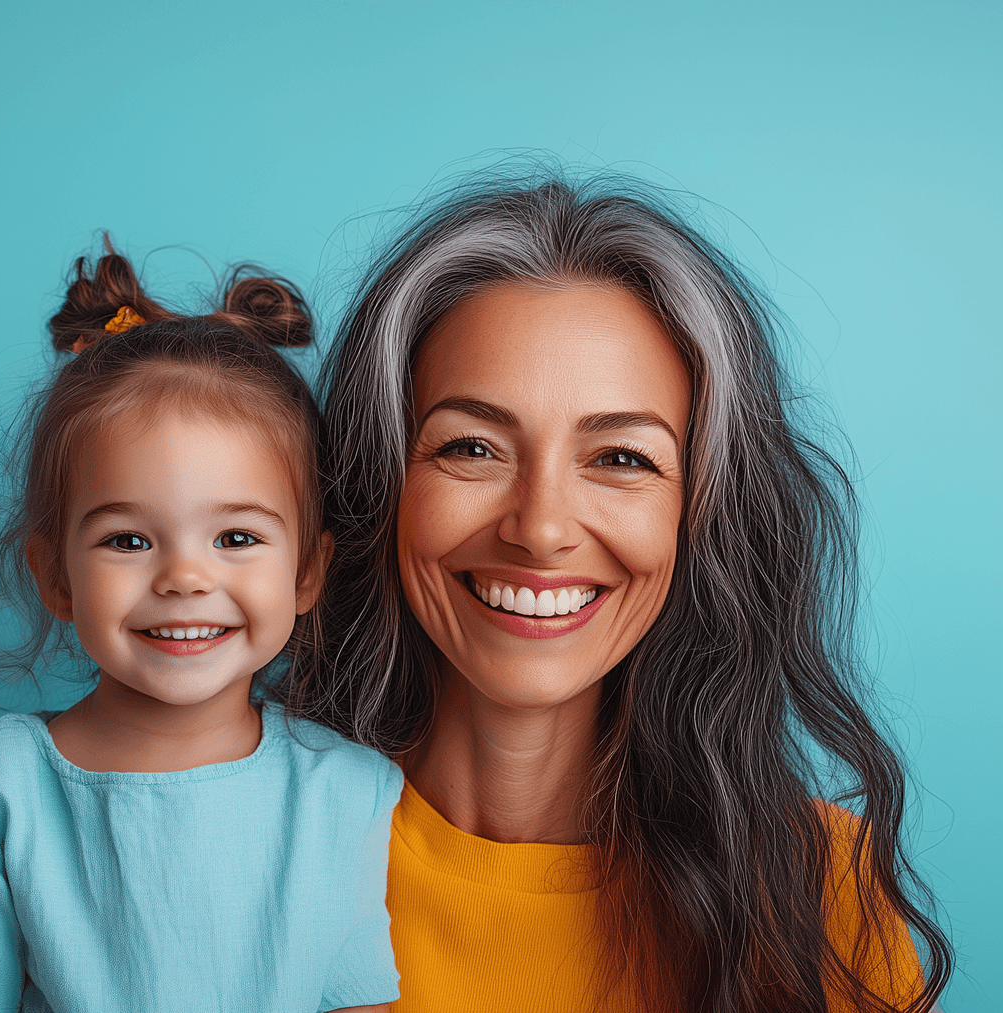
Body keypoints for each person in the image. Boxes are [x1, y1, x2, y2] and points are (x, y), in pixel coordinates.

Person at [278, 168, 954, 1013]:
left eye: (622, 458)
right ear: (380, 484)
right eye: (472, 447)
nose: (541, 527)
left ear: (697, 513)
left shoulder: (823, 897)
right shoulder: (251, 851)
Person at [0, 242, 401, 1013]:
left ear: (306, 573)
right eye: (129, 540)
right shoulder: (0, 791)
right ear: (56, 574)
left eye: (236, 538)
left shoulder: (346, 793)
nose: (184, 578)